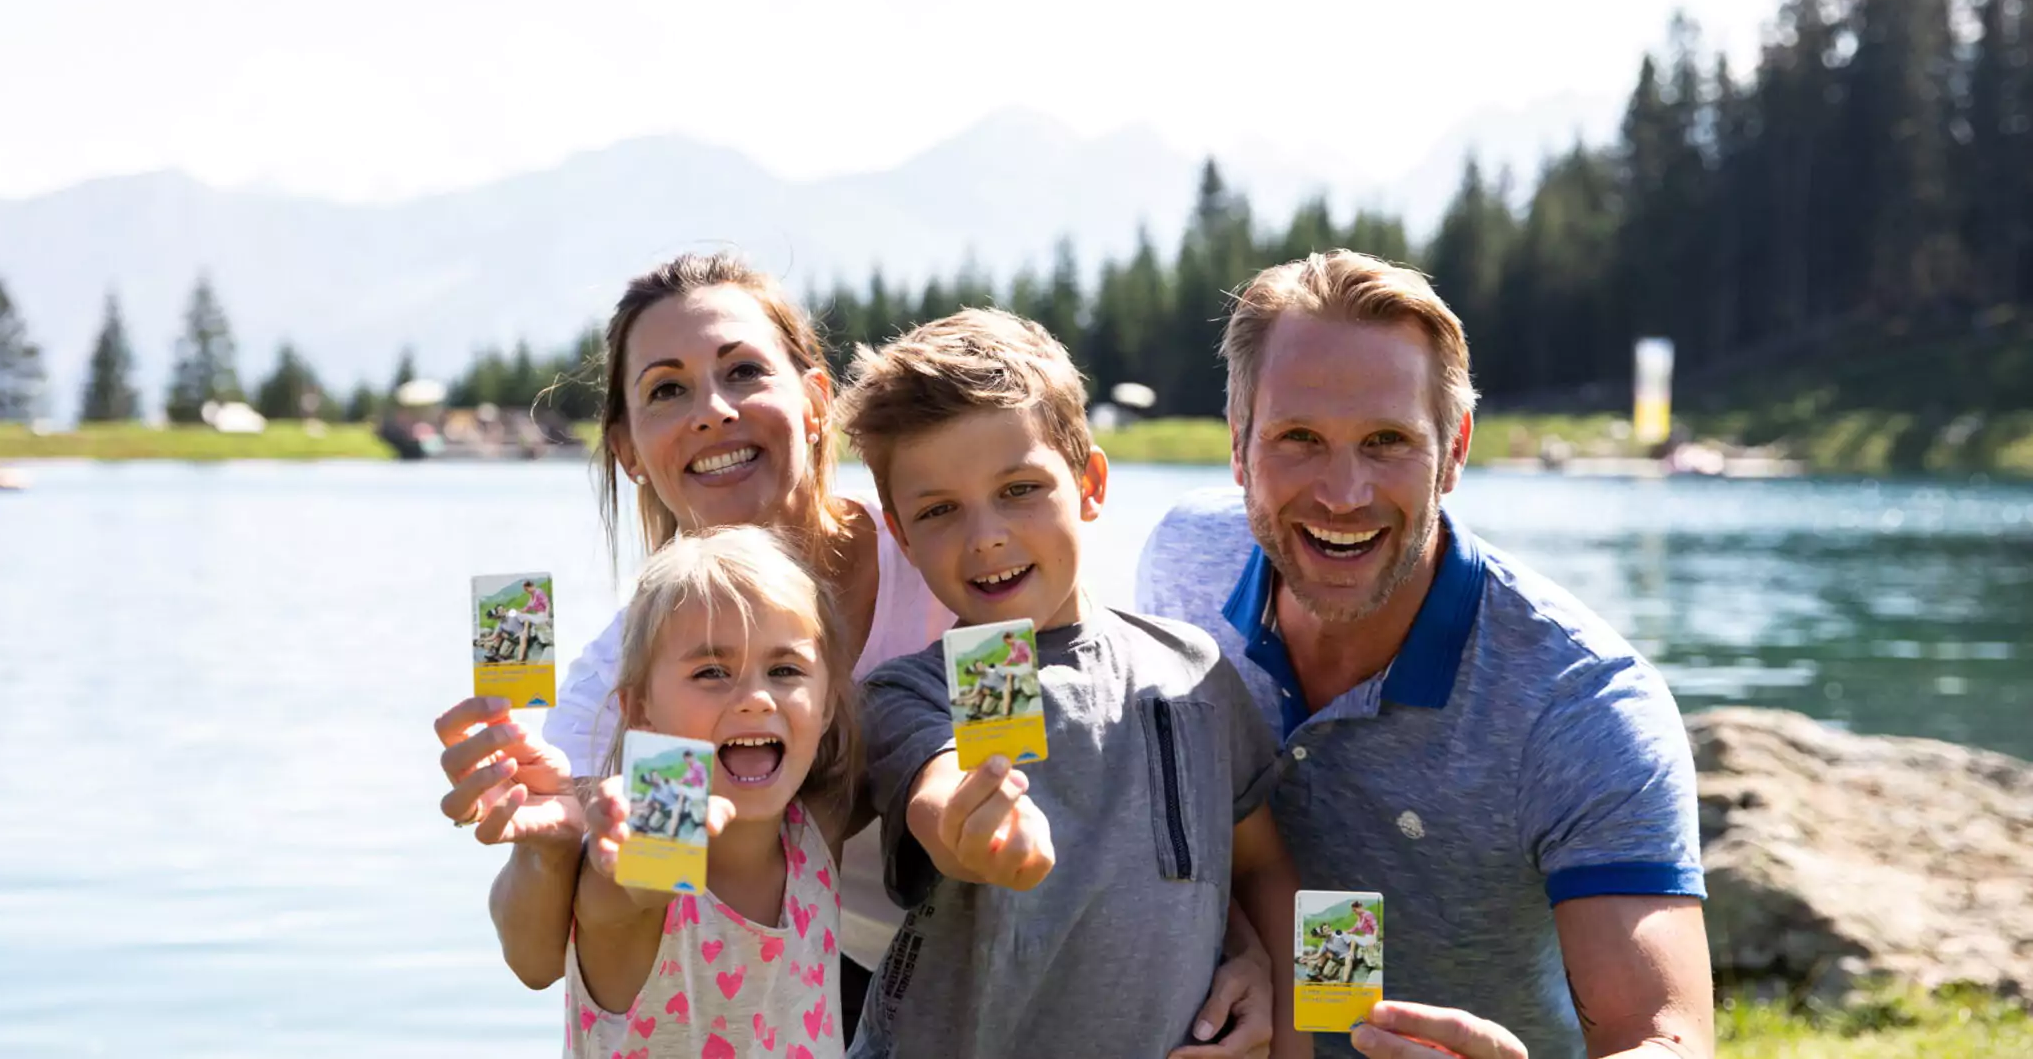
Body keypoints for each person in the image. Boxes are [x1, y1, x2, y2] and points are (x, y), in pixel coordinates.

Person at [1135, 251, 1713, 1059]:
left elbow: (1666, 1037)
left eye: (1387, 442)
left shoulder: (1580, 704)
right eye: (1298, 438)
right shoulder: (1183, 562)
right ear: (1238, 445)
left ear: (1455, 449)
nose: (1343, 493)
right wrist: (1242, 945)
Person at [430, 252, 953, 1039]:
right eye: (667, 389)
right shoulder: (625, 674)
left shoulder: (940, 556)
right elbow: (543, 953)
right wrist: (548, 836)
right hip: (811, 983)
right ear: (629, 452)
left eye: (743, 371)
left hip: (972, 961)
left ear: (816, 403)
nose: (711, 410)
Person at [834, 308, 1308, 1059]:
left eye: (1019, 489)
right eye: (939, 510)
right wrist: (972, 826)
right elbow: (941, 797)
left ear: (1089, 484)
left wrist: (1295, 1037)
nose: (985, 533)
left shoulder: (1194, 670)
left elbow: (1261, 866)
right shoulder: (915, 692)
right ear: (900, 535)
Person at [553, 526, 855, 1058]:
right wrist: (632, 845)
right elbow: (637, 888)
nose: (756, 698)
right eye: (712, 672)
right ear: (640, 710)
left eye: (784, 670)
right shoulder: (639, 867)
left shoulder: (816, 835)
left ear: (827, 703)